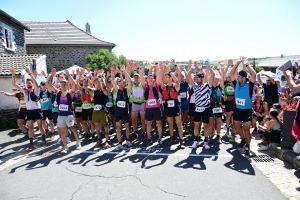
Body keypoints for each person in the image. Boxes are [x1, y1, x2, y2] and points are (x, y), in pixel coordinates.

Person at [11, 67, 45, 151]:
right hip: (29, 111)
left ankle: (43, 140)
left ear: (32, 83)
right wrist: (13, 75)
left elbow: (36, 84)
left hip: (37, 110)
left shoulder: (36, 90)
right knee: (30, 127)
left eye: (30, 82)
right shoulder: (24, 91)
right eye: (27, 83)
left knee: (40, 126)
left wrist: (30, 73)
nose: (28, 84)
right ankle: (31, 144)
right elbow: (14, 84)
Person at [47, 69, 81, 153]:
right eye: (61, 84)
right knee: (62, 131)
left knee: (73, 128)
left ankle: (78, 141)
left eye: (64, 84)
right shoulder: (58, 92)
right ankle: (65, 146)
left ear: (67, 85)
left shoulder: (70, 93)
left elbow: (75, 84)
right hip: (60, 115)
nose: (63, 86)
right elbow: (48, 84)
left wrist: (68, 75)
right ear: (60, 86)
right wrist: (51, 75)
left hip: (69, 114)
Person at [229, 56, 256, 157]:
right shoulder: (236, 84)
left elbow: (254, 74)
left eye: (239, 77)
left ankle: (248, 147)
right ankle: (243, 139)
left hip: (247, 110)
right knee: (236, 127)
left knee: (246, 129)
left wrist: (247, 64)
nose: (237, 78)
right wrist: (238, 63)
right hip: (237, 109)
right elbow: (231, 74)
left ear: (243, 78)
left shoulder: (249, 85)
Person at [186, 63, 214, 149]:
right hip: (197, 108)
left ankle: (205, 141)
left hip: (205, 108)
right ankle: (195, 141)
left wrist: (208, 66)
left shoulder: (207, 85)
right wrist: (193, 67)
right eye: (196, 78)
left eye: (198, 78)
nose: (196, 79)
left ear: (202, 78)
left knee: (206, 125)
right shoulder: (195, 86)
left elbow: (213, 74)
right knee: (196, 125)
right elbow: (187, 77)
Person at [159, 62, 185, 148]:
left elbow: (177, 80)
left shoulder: (175, 85)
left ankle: (181, 140)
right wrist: (162, 70)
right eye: (165, 77)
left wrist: (169, 71)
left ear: (170, 78)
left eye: (166, 77)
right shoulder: (164, 86)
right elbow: (159, 81)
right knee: (170, 124)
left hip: (176, 108)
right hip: (168, 108)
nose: (165, 78)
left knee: (178, 124)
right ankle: (172, 138)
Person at [111, 66, 132, 150]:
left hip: (125, 112)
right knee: (118, 127)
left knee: (127, 126)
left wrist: (124, 71)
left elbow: (130, 81)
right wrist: (112, 71)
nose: (121, 85)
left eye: (122, 83)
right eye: (119, 83)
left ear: (124, 84)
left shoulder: (127, 90)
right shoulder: (117, 90)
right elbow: (112, 80)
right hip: (118, 112)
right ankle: (120, 143)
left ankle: (127, 140)